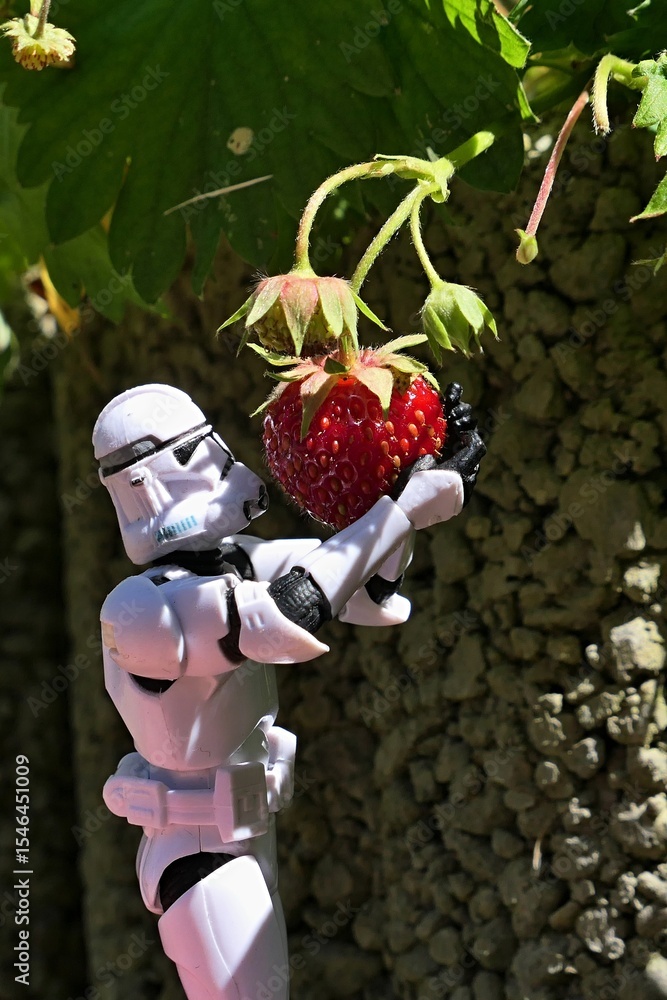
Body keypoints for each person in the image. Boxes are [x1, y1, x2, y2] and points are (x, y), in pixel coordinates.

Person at [93, 381, 484, 1000]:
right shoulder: (140, 610)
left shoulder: (237, 562)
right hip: (197, 849)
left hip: (247, 832)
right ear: (149, 483)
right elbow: (286, 616)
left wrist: (412, 469)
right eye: (200, 454)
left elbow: (358, 587)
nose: (224, 464)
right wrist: (402, 508)